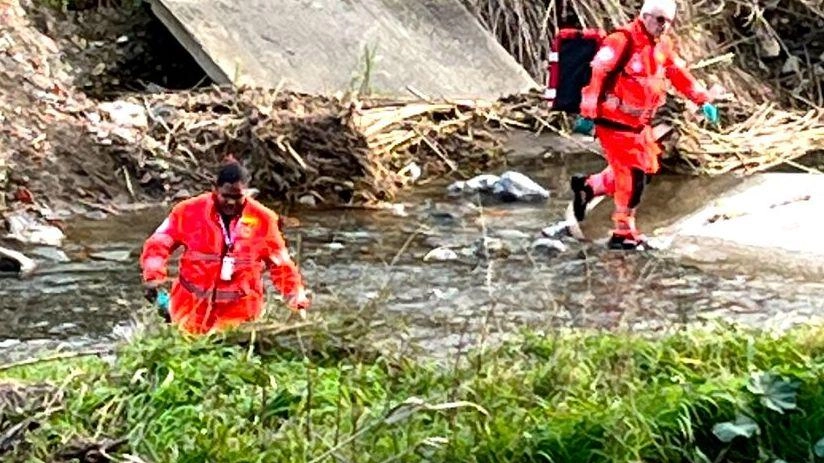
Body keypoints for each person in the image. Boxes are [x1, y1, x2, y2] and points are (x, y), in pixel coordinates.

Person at [571, 0, 722, 249]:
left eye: (668, 22)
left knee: (645, 171)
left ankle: (589, 187)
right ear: (645, 16)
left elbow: (677, 73)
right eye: (660, 20)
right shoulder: (621, 41)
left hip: (639, 124)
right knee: (632, 177)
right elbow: (596, 76)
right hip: (613, 121)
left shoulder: (662, 46)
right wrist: (588, 113)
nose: (664, 27)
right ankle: (623, 231)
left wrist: (701, 98)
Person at [139, 157, 310, 334]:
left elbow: (281, 264)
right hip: (189, 312)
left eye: (237, 197)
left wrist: (296, 301)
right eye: (226, 196)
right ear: (215, 189)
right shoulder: (188, 211)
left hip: (241, 318)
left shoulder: (263, 220)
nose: (231, 202)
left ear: (247, 193)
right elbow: (159, 242)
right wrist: (153, 275)